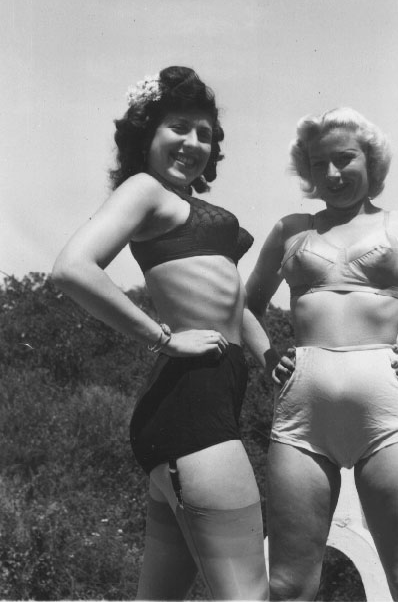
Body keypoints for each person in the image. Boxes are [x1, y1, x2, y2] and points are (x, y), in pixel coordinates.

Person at [52, 66, 271, 600]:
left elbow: (230, 298)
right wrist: (164, 338)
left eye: (205, 133)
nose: (193, 142)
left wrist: (270, 357)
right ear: (144, 135)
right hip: (192, 407)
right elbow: (72, 268)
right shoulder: (144, 188)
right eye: (178, 127)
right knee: (248, 595)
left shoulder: (184, 203)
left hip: (197, 405)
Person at [246, 107, 398, 601]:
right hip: (301, 421)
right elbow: (245, 308)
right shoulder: (291, 230)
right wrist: (267, 356)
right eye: (318, 163)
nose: (332, 173)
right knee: (289, 585)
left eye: (344, 159)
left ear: (371, 160)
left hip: (388, 418)